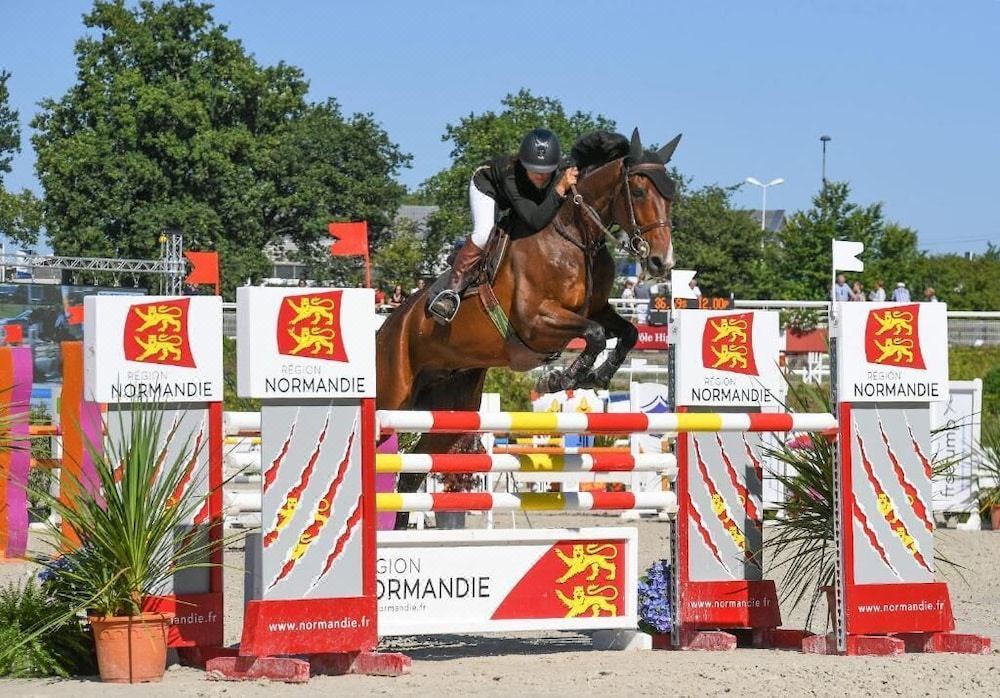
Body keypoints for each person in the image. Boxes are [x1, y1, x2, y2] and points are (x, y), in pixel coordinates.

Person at [427, 128, 579, 323]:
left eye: (546, 171)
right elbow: (534, 220)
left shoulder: (561, 168)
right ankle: (450, 293)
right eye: (534, 170)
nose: (541, 176)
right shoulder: (510, 176)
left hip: (522, 198)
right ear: (523, 164)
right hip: (487, 187)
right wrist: (559, 189)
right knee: (484, 234)